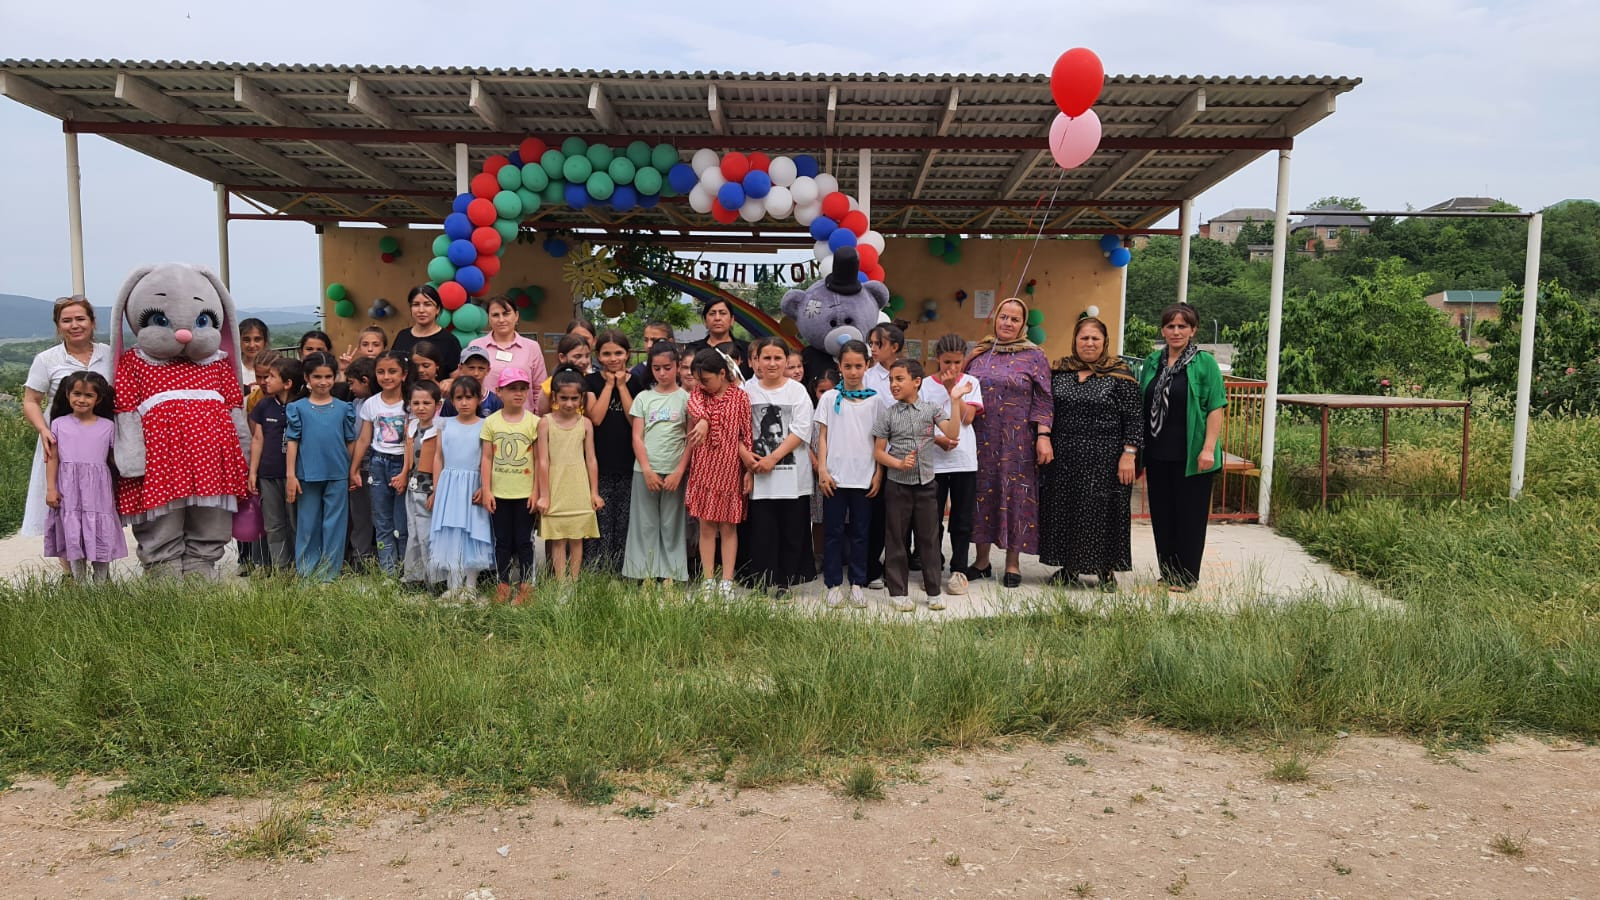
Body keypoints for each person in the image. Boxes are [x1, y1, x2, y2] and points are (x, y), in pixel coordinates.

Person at [1039, 317, 1143, 590]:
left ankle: (1105, 570)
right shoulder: (1060, 371)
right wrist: (1044, 439)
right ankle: (1069, 567)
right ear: (1075, 340)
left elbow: (1134, 418)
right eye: (1084, 337)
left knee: (1103, 511)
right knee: (1068, 509)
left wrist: (1129, 454)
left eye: (1095, 338)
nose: (1089, 343)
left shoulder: (1120, 375)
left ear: (1105, 342)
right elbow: (1045, 408)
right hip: (1064, 455)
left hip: (1106, 457)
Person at [966, 297, 1053, 588]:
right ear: (995, 319)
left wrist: (1043, 436)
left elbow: (1044, 399)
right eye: (1003, 317)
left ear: (1023, 325)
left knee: (1016, 497)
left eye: (1015, 319)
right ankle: (981, 561)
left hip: (1018, 443)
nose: (1007, 323)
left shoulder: (1035, 356)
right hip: (980, 438)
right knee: (982, 496)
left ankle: (1013, 563)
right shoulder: (979, 353)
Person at [1139, 304, 1227, 592]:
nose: (1176, 331)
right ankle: (1168, 571)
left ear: (1193, 330)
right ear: (1163, 330)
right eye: (1170, 326)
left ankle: (1187, 575)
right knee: (1163, 514)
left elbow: (1216, 406)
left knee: (1189, 515)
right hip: (1157, 452)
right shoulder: (1153, 361)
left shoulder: (1205, 363)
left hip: (1192, 453)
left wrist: (1208, 448)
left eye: (1182, 326)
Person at [873, 359, 970, 612]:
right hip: (897, 486)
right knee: (896, 539)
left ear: (916, 382)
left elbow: (951, 433)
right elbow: (878, 452)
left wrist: (956, 399)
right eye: (892, 380)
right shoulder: (888, 414)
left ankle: (934, 591)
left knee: (929, 539)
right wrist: (897, 463)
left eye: (899, 379)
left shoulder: (931, 409)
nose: (894, 384)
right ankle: (898, 592)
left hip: (927, 485)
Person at [21, 297, 115, 543]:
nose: (75, 325)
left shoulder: (109, 354)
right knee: (63, 499)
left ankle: (101, 558)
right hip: (61, 440)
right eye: (67, 320)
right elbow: (31, 400)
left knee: (99, 499)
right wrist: (43, 430)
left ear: (92, 323)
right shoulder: (47, 359)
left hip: (100, 439)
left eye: (80, 319)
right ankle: (70, 570)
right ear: (58, 326)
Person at [738, 336, 815, 594]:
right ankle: (762, 580)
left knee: (791, 531)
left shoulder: (797, 391)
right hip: (759, 476)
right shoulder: (746, 391)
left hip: (792, 476)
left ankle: (785, 582)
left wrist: (772, 457)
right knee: (762, 531)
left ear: (786, 361)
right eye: (766, 358)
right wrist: (747, 458)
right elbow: (735, 429)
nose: (772, 363)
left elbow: (801, 429)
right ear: (756, 361)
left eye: (777, 358)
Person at [813, 341, 880, 609]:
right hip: (835, 478)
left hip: (864, 476)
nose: (853, 371)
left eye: (858, 366)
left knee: (861, 533)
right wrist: (822, 470)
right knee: (833, 532)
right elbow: (823, 436)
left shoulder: (876, 400)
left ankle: (857, 584)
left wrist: (879, 474)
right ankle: (833, 584)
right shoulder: (830, 398)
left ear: (867, 365)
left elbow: (880, 440)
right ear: (839, 366)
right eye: (848, 366)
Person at [42, 371, 126, 582]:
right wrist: (51, 489)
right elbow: (53, 458)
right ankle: (79, 584)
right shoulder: (58, 424)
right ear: (68, 394)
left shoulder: (108, 427)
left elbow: (118, 459)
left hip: (98, 490)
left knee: (100, 528)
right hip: (68, 489)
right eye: (77, 393)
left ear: (98, 399)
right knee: (73, 530)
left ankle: (100, 585)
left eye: (88, 395)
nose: (81, 399)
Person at [919, 333, 985, 596]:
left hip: (964, 461)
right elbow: (921, 422)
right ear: (937, 359)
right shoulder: (923, 385)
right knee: (931, 519)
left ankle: (959, 569)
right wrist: (939, 440)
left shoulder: (971, 382)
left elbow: (968, 418)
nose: (952, 368)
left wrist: (952, 392)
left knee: (962, 519)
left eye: (958, 362)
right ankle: (933, 567)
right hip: (934, 461)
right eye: (947, 362)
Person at [685, 348, 752, 597]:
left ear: (722, 373)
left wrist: (748, 471)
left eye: (706, 379)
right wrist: (703, 419)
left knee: (728, 528)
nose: (703, 384)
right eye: (699, 380)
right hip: (704, 470)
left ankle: (727, 580)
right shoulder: (699, 395)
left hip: (731, 470)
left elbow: (747, 434)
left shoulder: (740, 398)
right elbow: (692, 404)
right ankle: (708, 579)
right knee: (706, 528)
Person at [286, 352, 358, 581]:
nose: (323, 382)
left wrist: (352, 471)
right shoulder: (297, 408)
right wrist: (291, 475)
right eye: (317, 376)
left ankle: (329, 574)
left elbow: (350, 441)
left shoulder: (343, 408)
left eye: (328, 376)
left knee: (335, 525)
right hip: (307, 474)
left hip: (338, 473)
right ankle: (307, 573)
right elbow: (292, 442)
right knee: (307, 524)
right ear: (307, 377)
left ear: (335, 377)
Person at [624, 341, 691, 583]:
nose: (662, 373)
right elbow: (636, 436)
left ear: (677, 366)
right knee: (645, 524)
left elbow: (690, 440)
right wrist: (647, 469)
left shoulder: (686, 398)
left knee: (672, 524)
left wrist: (679, 471)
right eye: (656, 368)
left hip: (674, 471)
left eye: (667, 367)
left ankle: (671, 575)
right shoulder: (643, 398)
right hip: (645, 471)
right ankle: (645, 573)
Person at [428, 376, 494, 600]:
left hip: (473, 485)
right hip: (449, 485)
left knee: (472, 531)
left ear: (478, 399)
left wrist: (485, 486)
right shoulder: (444, 424)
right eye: (459, 398)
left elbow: (488, 458)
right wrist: (437, 487)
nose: (464, 402)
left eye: (469, 397)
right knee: (451, 531)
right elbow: (438, 457)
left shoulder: (486, 425)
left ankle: (471, 585)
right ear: (452, 400)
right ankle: (453, 585)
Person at [480, 366, 541, 603]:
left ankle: (526, 587)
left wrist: (536, 492)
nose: (518, 394)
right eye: (512, 389)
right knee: (503, 541)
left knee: (524, 541)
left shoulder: (535, 423)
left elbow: (539, 459)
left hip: (525, 493)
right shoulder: (491, 422)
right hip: (500, 493)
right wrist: (487, 490)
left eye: (522, 389)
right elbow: (486, 458)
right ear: (499, 391)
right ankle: (503, 585)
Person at [584, 329, 641, 573]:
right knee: (601, 516)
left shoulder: (638, 383)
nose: (613, 358)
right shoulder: (591, 382)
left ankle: (621, 566)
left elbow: (634, 419)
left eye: (618, 353)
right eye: (606, 354)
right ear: (598, 356)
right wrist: (609, 386)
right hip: (600, 460)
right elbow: (595, 418)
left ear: (627, 354)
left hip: (628, 461)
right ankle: (598, 566)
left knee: (624, 516)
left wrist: (623, 387)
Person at [538, 370, 603, 581]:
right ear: (554, 397)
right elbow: (542, 460)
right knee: (558, 538)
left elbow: (591, 459)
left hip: (578, 486)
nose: (568, 403)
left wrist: (594, 493)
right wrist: (544, 495)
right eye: (564, 398)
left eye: (574, 398)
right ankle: (560, 583)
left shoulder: (585, 423)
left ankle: (573, 582)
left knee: (577, 538)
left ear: (581, 398)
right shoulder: (545, 422)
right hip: (556, 486)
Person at [350, 351, 411, 576]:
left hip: (402, 465)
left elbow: (411, 441)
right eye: (381, 372)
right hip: (378, 464)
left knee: (401, 523)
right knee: (382, 522)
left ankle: (407, 571)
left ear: (404, 375)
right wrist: (354, 468)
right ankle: (388, 572)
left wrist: (405, 471)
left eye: (392, 371)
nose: (387, 377)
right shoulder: (371, 404)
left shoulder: (411, 403)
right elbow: (364, 438)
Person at [249, 356, 303, 573]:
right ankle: (281, 567)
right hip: (268, 474)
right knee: (273, 523)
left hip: (295, 476)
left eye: (272, 377)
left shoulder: (302, 406)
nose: (266, 381)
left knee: (295, 522)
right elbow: (257, 439)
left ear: (288, 383)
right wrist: (253, 471)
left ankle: (299, 565)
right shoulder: (264, 405)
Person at [401, 380, 441, 591]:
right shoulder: (412, 426)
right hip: (412, 486)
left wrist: (436, 489)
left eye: (427, 402)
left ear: (437, 404)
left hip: (429, 489)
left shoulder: (440, 428)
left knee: (428, 535)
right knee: (413, 532)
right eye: (416, 403)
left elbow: (442, 461)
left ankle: (434, 579)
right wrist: (402, 475)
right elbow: (408, 457)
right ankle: (413, 576)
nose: (421, 407)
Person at [469, 296, 548, 394]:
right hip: (487, 409)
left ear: (516, 316)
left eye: (506, 314)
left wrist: (536, 409)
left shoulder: (532, 347)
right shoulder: (476, 346)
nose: (501, 320)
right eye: (495, 315)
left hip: (523, 409)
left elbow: (540, 388)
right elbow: (468, 384)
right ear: (488, 318)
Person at [390, 284, 461, 377]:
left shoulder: (449, 340)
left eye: (427, 304)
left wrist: (450, 382)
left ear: (438, 309)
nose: (421, 310)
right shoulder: (402, 336)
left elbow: (456, 377)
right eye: (416, 305)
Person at [686, 297, 750, 381]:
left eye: (722, 313)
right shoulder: (693, 349)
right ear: (705, 321)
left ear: (732, 320)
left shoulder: (747, 349)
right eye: (712, 314)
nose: (717, 318)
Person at [441, 347, 503, 417]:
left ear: (488, 370)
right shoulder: (451, 399)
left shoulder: (495, 401)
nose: (476, 373)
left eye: (481, 368)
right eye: (471, 368)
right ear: (460, 368)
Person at [540, 334, 591, 414]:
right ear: (562, 357)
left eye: (587, 356)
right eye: (577, 356)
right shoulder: (549, 385)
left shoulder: (590, 381)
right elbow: (542, 415)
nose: (584, 361)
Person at [238, 318, 270, 385]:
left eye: (257, 339)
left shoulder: (274, 369)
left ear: (265, 341)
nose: (252, 345)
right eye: (246, 340)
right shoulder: (234, 369)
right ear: (238, 341)